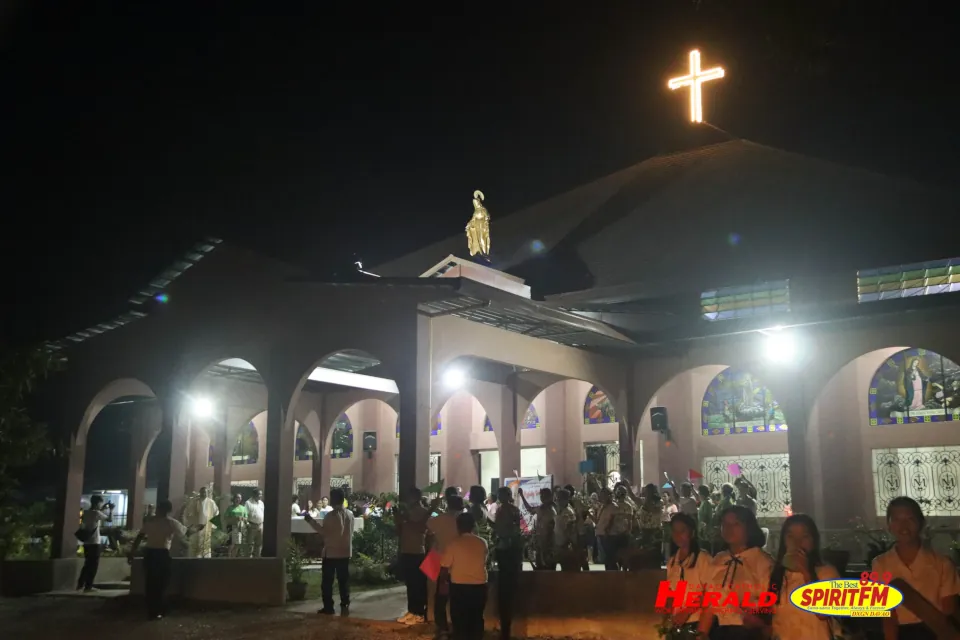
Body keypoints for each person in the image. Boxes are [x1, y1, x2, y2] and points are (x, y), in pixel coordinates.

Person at [872, 496, 960, 640]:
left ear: (921, 522)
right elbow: (888, 615)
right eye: (896, 520)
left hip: (936, 633)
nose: (903, 526)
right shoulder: (880, 564)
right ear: (889, 525)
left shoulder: (942, 564)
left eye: (910, 519)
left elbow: (949, 611)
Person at [697, 505, 774, 640]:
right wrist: (701, 633)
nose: (729, 529)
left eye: (736, 524)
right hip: (717, 632)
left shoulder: (762, 561)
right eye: (725, 524)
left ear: (748, 528)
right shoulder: (719, 559)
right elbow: (709, 604)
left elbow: (770, 603)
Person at [768, 514, 840, 640]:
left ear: (813, 541)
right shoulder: (774, 574)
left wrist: (806, 572)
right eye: (791, 536)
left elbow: (824, 614)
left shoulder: (827, 573)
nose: (797, 542)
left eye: (804, 536)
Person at [128, 500, 194, 620]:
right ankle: (158, 609)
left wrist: (132, 552)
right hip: (162, 554)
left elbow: (139, 537)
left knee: (150, 582)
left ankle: (152, 610)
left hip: (149, 554)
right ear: (168, 510)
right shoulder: (171, 523)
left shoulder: (151, 522)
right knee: (161, 582)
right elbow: (187, 533)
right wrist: (198, 527)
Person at [439, 512, 489, 640]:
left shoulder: (453, 544)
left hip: (459, 587)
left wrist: (443, 585)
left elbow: (444, 567)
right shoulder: (482, 543)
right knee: (476, 618)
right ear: (473, 526)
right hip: (479, 586)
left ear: (458, 526)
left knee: (459, 619)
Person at [305, 487, 355, 616]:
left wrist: (310, 520)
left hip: (331, 553)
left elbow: (323, 532)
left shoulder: (330, 516)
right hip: (344, 552)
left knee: (327, 582)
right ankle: (345, 603)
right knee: (343, 581)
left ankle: (328, 606)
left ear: (334, 500)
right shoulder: (349, 514)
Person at [665, 513, 713, 634]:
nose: (677, 535)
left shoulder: (704, 559)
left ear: (692, 532)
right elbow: (670, 591)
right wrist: (666, 617)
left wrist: (686, 611)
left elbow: (710, 593)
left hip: (698, 622)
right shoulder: (672, 561)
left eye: (682, 531)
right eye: (674, 531)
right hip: (676, 623)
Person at [427, 495, 463, 638]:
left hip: (440, 560)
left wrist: (433, 507)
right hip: (459, 562)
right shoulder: (464, 519)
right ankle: (457, 624)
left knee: (440, 595)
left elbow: (427, 525)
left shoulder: (440, 518)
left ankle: (441, 625)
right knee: (457, 594)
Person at [395, 487, 430, 625]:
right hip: (406, 550)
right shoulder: (407, 512)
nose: (407, 500)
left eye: (409, 496)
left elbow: (421, 528)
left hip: (417, 551)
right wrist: (397, 520)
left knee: (418, 584)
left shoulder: (423, 512)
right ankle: (412, 610)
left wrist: (405, 520)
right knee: (410, 583)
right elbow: (400, 532)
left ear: (415, 497)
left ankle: (419, 612)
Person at [492, 487, 522, 640]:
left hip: (507, 550)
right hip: (510, 549)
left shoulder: (505, 511)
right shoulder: (512, 510)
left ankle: (506, 630)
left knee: (505, 589)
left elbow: (505, 530)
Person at [76, 495, 114, 592]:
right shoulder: (97, 513)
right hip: (94, 543)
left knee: (87, 564)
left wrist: (103, 507)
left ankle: (80, 584)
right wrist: (111, 510)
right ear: (97, 503)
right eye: (100, 503)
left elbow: (95, 514)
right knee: (93, 565)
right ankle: (89, 586)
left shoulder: (86, 512)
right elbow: (109, 519)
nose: (101, 504)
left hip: (86, 543)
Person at [518, 486, 557, 570]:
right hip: (540, 543)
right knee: (540, 567)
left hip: (549, 544)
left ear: (550, 497)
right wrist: (522, 496)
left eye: (544, 496)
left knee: (548, 568)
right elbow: (529, 509)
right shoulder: (540, 508)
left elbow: (552, 528)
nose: (542, 498)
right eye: (541, 496)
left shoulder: (553, 509)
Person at [595, 487, 632, 571]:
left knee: (611, 559)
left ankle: (615, 577)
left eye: (603, 495)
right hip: (601, 534)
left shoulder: (614, 506)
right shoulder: (602, 506)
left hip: (609, 536)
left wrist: (606, 532)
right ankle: (610, 578)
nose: (601, 497)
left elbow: (612, 521)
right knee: (606, 559)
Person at [184, 487, 219, 558]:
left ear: (207, 493)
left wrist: (212, 525)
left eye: (205, 492)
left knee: (205, 547)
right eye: (202, 492)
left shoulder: (211, 502)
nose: (203, 494)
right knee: (195, 547)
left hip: (207, 528)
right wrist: (189, 525)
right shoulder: (194, 502)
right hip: (196, 528)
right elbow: (187, 513)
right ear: (200, 493)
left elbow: (216, 513)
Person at [554, 489, 579, 570]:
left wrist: (566, 544)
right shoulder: (558, 510)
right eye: (557, 498)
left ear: (566, 499)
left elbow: (570, 529)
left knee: (567, 569)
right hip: (558, 544)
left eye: (559, 498)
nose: (557, 500)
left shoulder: (568, 512)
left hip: (565, 545)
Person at [224, 493, 247, 558]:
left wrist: (242, 518)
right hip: (231, 527)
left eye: (239, 498)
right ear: (234, 499)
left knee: (237, 544)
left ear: (241, 499)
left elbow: (246, 518)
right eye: (237, 497)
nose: (238, 499)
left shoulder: (243, 508)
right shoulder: (230, 508)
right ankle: (229, 556)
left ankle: (233, 557)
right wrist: (234, 518)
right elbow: (226, 517)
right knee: (231, 544)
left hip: (239, 528)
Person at [244, 489, 265, 557]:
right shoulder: (248, 503)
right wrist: (247, 524)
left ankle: (257, 559)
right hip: (251, 525)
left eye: (261, 494)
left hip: (260, 525)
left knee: (259, 544)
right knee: (250, 544)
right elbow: (245, 515)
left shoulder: (261, 503)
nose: (261, 496)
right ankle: (248, 560)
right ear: (254, 495)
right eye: (259, 494)